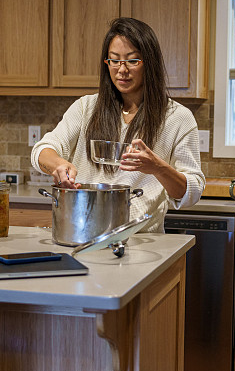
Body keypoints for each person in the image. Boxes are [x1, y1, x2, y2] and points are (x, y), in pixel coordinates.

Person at [31, 17, 205, 233]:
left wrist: (157, 168)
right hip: (81, 236)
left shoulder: (177, 118)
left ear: (149, 63)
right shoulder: (86, 108)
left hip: (142, 244)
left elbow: (191, 193)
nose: (122, 70)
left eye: (133, 61)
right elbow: (42, 150)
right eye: (114, 60)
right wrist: (58, 165)